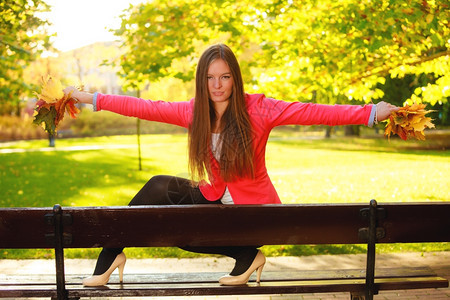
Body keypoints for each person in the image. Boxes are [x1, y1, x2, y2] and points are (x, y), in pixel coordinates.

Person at [64, 43, 399, 287]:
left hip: (253, 211)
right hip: (215, 198)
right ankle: (110, 257)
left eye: (224, 77)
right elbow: (143, 106)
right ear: (202, 80)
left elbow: (314, 111)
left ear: (235, 78)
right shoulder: (194, 112)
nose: (217, 85)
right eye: (210, 78)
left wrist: (371, 112)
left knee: (182, 229)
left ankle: (245, 254)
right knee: (158, 188)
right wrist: (89, 98)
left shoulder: (261, 110)